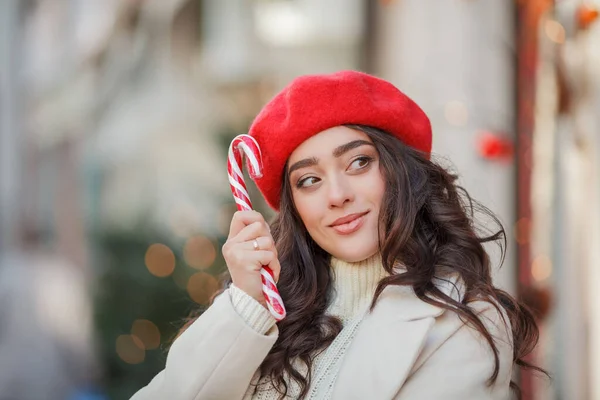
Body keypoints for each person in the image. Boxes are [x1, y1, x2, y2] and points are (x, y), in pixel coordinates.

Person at [130, 71, 543, 400]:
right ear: (294, 208)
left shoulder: (464, 320)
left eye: (359, 163)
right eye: (309, 180)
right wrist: (246, 305)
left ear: (401, 172)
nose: (337, 195)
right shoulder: (271, 313)